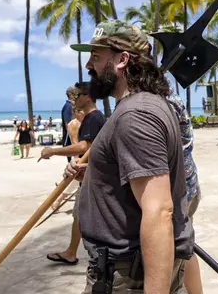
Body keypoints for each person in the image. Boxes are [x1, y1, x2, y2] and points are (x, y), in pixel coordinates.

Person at [65, 19, 193, 293]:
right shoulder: (142, 106)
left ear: (122, 60)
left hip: (127, 275)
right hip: (124, 269)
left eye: (96, 57)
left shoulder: (136, 116)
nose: (89, 66)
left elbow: (159, 211)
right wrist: (95, 174)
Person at [41, 82, 105, 266]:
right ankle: (71, 252)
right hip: (89, 176)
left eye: (77, 96)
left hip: (93, 179)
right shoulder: (93, 117)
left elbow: (85, 146)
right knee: (79, 215)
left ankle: (78, 253)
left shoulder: (93, 118)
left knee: (84, 216)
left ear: (88, 97)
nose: (73, 99)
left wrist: (52, 151)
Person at [166, 92, 203, 294]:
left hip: (178, 189)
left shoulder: (163, 102)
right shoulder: (168, 97)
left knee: (179, 250)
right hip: (186, 185)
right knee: (185, 248)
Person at [51, 108, 85, 211]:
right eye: (80, 111)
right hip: (79, 155)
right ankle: (58, 199)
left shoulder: (86, 122)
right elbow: (75, 142)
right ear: (76, 112)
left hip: (82, 154)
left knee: (75, 181)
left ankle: (58, 200)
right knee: (74, 179)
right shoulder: (74, 124)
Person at [61, 87, 76, 161]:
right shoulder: (68, 106)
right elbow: (68, 124)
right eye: (75, 93)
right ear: (70, 94)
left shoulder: (71, 106)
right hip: (70, 139)